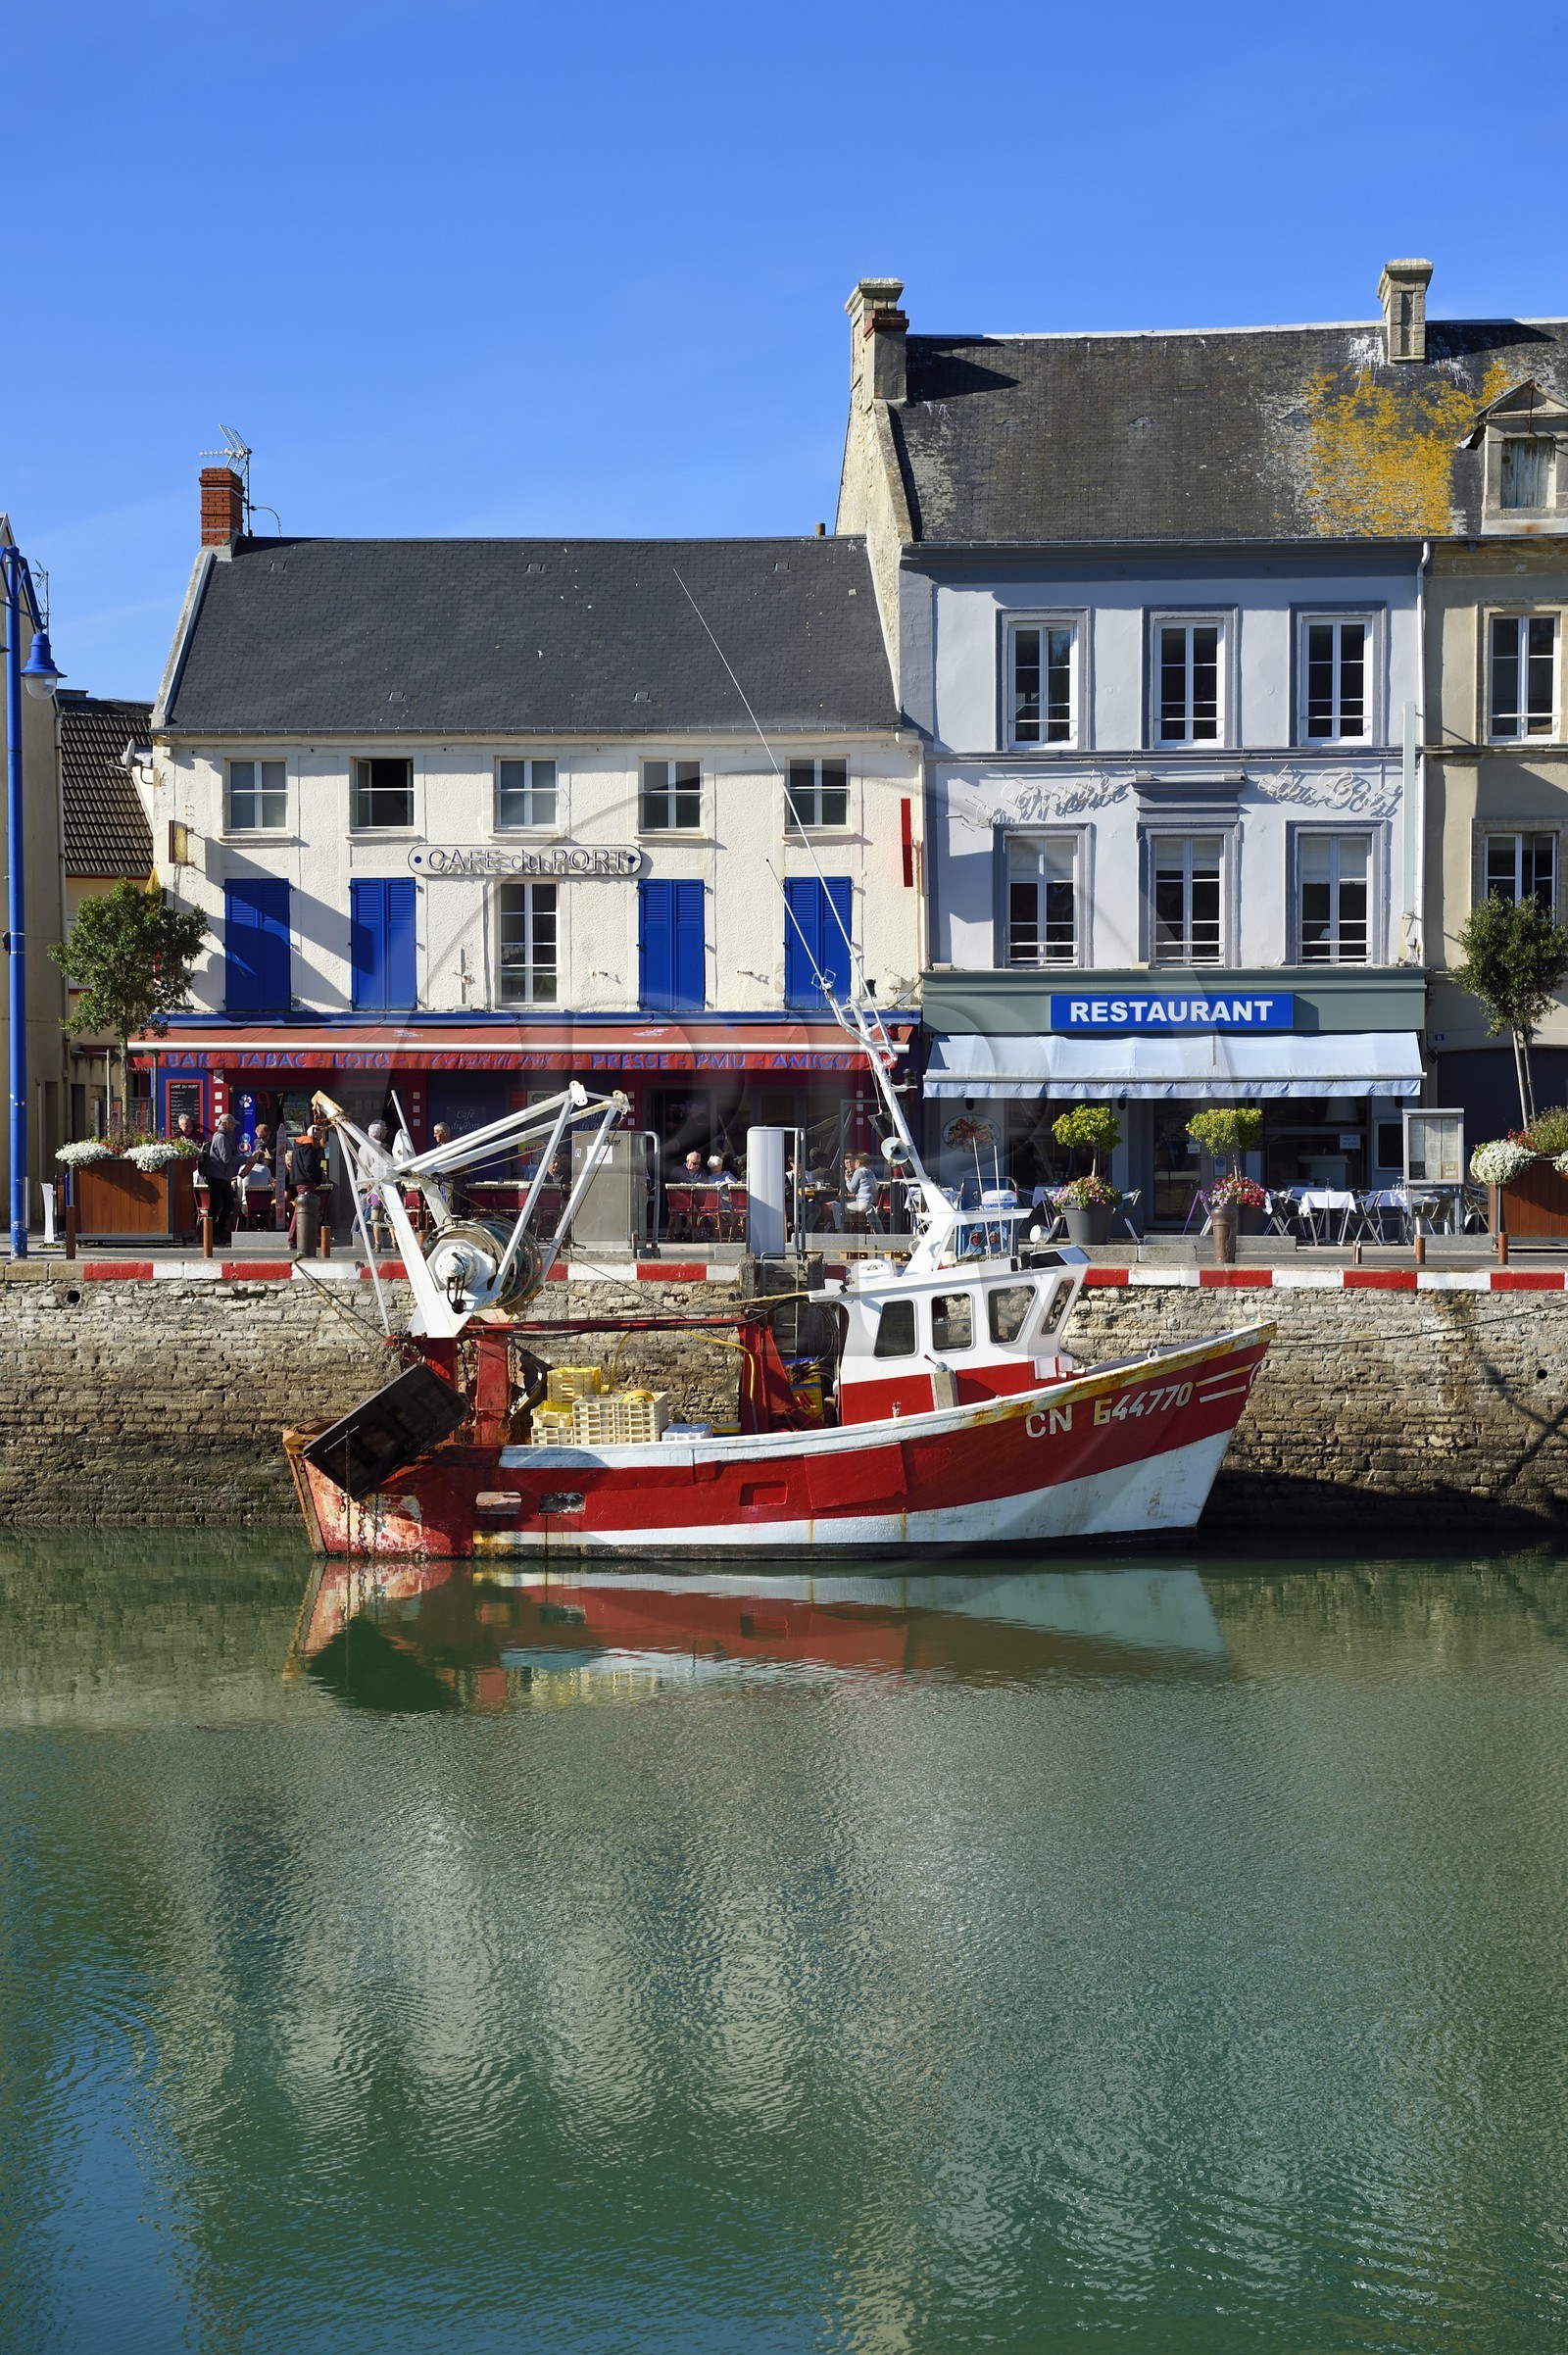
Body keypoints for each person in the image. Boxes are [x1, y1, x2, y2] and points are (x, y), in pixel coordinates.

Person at [198, 1114, 246, 1245]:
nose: (234, 1126)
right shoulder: (221, 1137)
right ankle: (213, 1233)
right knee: (217, 1205)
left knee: (226, 1203)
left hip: (221, 1176)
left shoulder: (222, 1136)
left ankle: (218, 1230)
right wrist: (245, 1159)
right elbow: (227, 1159)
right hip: (218, 1176)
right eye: (233, 1124)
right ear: (226, 1124)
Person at [286, 1122, 330, 1247]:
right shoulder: (308, 1146)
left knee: (303, 1209)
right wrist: (314, 1179)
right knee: (302, 1209)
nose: (320, 1134)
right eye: (317, 1131)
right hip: (306, 1181)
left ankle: (300, 1238)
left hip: (299, 1180)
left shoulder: (299, 1145)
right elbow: (309, 1165)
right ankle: (294, 1239)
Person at [832, 1152, 881, 1233]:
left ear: (858, 1162)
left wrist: (847, 1179)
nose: (854, 1164)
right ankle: (846, 1229)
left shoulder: (859, 1171)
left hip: (862, 1204)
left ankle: (839, 1231)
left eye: (855, 1162)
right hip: (870, 1204)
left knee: (836, 1207)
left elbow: (851, 1189)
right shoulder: (870, 1172)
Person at [242, 1123, 275, 1230]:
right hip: (259, 1174)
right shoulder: (257, 1142)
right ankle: (254, 1223)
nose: (261, 1140)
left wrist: (271, 1158)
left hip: (272, 1173)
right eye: (258, 1137)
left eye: (263, 1137)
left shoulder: (276, 1143)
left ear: (269, 1134)